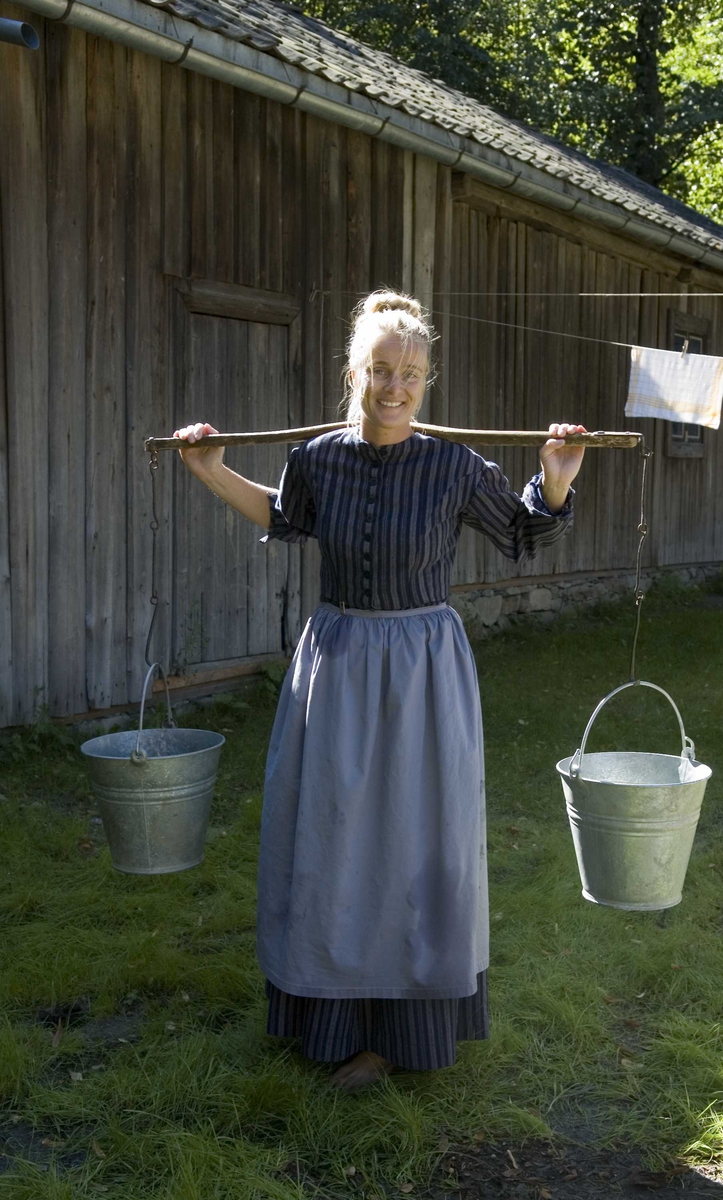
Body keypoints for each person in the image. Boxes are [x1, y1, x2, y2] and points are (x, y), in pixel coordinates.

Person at [175, 290, 586, 1091]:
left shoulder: (455, 464)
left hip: (424, 673)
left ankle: (403, 1034)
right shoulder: (318, 457)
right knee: (332, 839)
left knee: (416, 843)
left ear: (426, 381)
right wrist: (212, 470)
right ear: (354, 372)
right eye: (382, 370)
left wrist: (557, 478)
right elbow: (285, 516)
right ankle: (332, 1021)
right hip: (337, 663)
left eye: (412, 373)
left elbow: (523, 531)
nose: (396, 387)